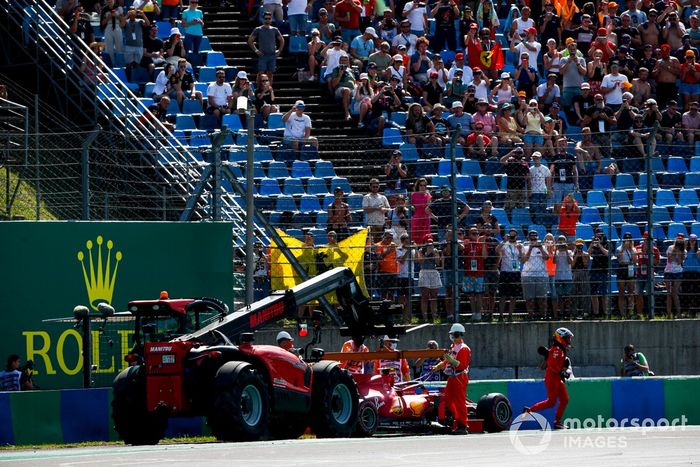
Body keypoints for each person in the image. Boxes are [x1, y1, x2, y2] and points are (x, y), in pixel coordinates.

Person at [525, 327, 574, 430]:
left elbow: (559, 365)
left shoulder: (560, 350)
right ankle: (529, 410)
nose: (569, 340)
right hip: (552, 378)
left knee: (564, 399)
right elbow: (551, 364)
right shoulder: (556, 350)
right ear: (560, 338)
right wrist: (561, 372)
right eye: (567, 338)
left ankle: (557, 422)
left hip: (557, 378)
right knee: (551, 402)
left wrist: (563, 371)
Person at [430, 323, 471, 435]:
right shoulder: (453, 347)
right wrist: (438, 366)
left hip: (460, 377)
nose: (453, 337)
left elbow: (461, 365)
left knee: (459, 401)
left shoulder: (464, 349)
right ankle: (456, 420)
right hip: (452, 377)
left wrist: (449, 359)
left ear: (458, 334)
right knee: (448, 399)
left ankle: (462, 425)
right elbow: (447, 361)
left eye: (454, 334)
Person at [248, 11, 285, 84]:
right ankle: (258, 88)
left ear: (271, 19)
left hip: (272, 55)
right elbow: (250, 41)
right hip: (263, 55)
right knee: (260, 73)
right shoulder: (258, 29)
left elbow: (282, 40)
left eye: (269, 18)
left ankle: (269, 89)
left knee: (270, 73)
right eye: (266, 18)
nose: (267, 20)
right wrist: (256, 50)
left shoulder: (275, 29)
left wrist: (279, 50)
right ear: (263, 19)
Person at [522, 230, 549, 320]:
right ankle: (530, 315)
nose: (533, 239)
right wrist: (530, 248)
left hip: (542, 274)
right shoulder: (524, 247)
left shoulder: (543, 246)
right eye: (531, 237)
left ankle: (543, 315)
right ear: (528, 238)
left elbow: (546, 258)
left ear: (537, 238)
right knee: (529, 297)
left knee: (542, 297)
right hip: (528, 274)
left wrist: (540, 248)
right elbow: (524, 260)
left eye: (535, 237)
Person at [497, 228, 523, 322]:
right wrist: (504, 241)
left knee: (514, 296)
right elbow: (497, 250)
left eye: (513, 235)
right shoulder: (504, 244)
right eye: (510, 235)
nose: (512, 237)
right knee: (503, 295)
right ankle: (500, 315)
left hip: (515, 272)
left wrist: (520, 250)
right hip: (505, 271)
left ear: (516, 236)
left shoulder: (519, 245)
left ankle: (510, 315)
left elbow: (522, 259)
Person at [417, 236, 443, 321]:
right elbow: (421, 262)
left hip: (433, 271)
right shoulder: (421, 251)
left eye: (431, 243)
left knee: (434, 296)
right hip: (424, 271)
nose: (430, 245)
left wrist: (435, 255)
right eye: (428, 243)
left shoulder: (435, 250)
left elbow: (438, 263)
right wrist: (427, 253)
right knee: (425, 296)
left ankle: (434, 316)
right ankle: (425, 317)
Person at [635, 232, 661, 317]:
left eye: (648, 239)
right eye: (645, 239)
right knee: (639, 294)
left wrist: (650, 254)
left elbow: (657, 262)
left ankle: (651, 313)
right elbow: (634, 260)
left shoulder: (655, 249)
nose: (646, 241)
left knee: (650, 294)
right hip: (639, 274)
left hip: (649, 274)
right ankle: (639, 313)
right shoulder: (637, 248)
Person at [616, 233, 638, 318]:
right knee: (621, 292)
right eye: (626, 240)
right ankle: (622, 313)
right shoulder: (619, 249)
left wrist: (631, 249)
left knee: (631, 292)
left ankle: (630, 311)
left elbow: (635, 260)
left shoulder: (633, 249)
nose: (627, 241)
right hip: (622, 267)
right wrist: (624, 248)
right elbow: (619, 259)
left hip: (630, 267)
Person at [589, 229, 610, 318]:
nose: (599, 237)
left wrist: (600, 245)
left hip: (604, 270)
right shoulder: (593, 243)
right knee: (594, 293)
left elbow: (608, 254)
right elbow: (588, 253)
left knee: (604, 293)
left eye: (600, 235)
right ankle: (596, 313)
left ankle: (605, 312)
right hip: (594, 270)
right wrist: (592, 243)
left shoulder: (607, 243)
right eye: (597, 235)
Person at [665, 234, 686, 318]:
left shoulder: (684, 251)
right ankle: (669, 314)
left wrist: (678, 253)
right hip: (668, 271)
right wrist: (674, 252)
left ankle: (678, 312)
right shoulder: (670, 248)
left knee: (674, 292)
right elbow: (669, 260)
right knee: (669, 293)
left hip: (678, 272)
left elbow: (679, 262)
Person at [363, 178, 390, 242]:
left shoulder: (383, 197)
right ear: (370, 187)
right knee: (370, 242)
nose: (375, 188)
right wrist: (376, 208)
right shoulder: (367, 197)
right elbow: (366, 210)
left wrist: (383, 209)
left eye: (376, 187)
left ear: (379, 187)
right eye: (373, 187)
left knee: (380, 242)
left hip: (381, 224)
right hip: (371, 224)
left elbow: (388, 208)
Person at [553, 235, 573, 319]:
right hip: (558, 276)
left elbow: (570, 262)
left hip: (567, 276)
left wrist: (566, 250)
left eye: (563, 241)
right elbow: (554, 261)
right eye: (560, 241)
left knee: (567, 296)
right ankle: (561, 312)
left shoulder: (569, 251)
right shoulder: (556, 252)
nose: (561, 243)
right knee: (560, 296)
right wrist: (556, 250)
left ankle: (567, 312)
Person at [396, 233, 415, 321]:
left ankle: (405, 317)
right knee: (400, 297)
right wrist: (408, 250)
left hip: (410, 276)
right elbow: (402, 261)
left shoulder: (413, 250)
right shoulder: (398, 249)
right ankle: (399, 316)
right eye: (406, 240)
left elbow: (418, 260)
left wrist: (416, 249)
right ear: (402, 241)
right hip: (401, 276)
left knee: (408, 297)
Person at [375, 231, 399, 301]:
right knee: (383, 292)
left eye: (391, 238)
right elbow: (379, 257)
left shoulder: (393, 245)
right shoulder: (379, 245)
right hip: (383, 272)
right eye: (388, 238)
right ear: (384, 237)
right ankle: (383, 306)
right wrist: (388, 251)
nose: (389, 240)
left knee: (391, 292)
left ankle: (391, 307)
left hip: (393, 272)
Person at [529, 152, 551, 226]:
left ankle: (541, 223)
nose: (536, 159)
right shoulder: (530, 169)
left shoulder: (545, 169)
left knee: (542, 208)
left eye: (537, 158)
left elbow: (548, 181)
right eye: (534, 158)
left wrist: (548, 191)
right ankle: (536, 223)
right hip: (534, 191)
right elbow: (529, 181)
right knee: (534, 208)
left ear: (540, 158)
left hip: (542, 191)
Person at [571, 237, 591, 318]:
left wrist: (581, 254)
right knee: (574, 293)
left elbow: (586, 264)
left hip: (584, 273)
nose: (579, 248)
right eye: (578, 246)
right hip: (575, 273)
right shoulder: (572, 254)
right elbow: (572, 265)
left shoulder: (586, 254)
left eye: (580, 246)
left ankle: (585, 312)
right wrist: (576, 255)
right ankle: (574, 312)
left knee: (585, 292)